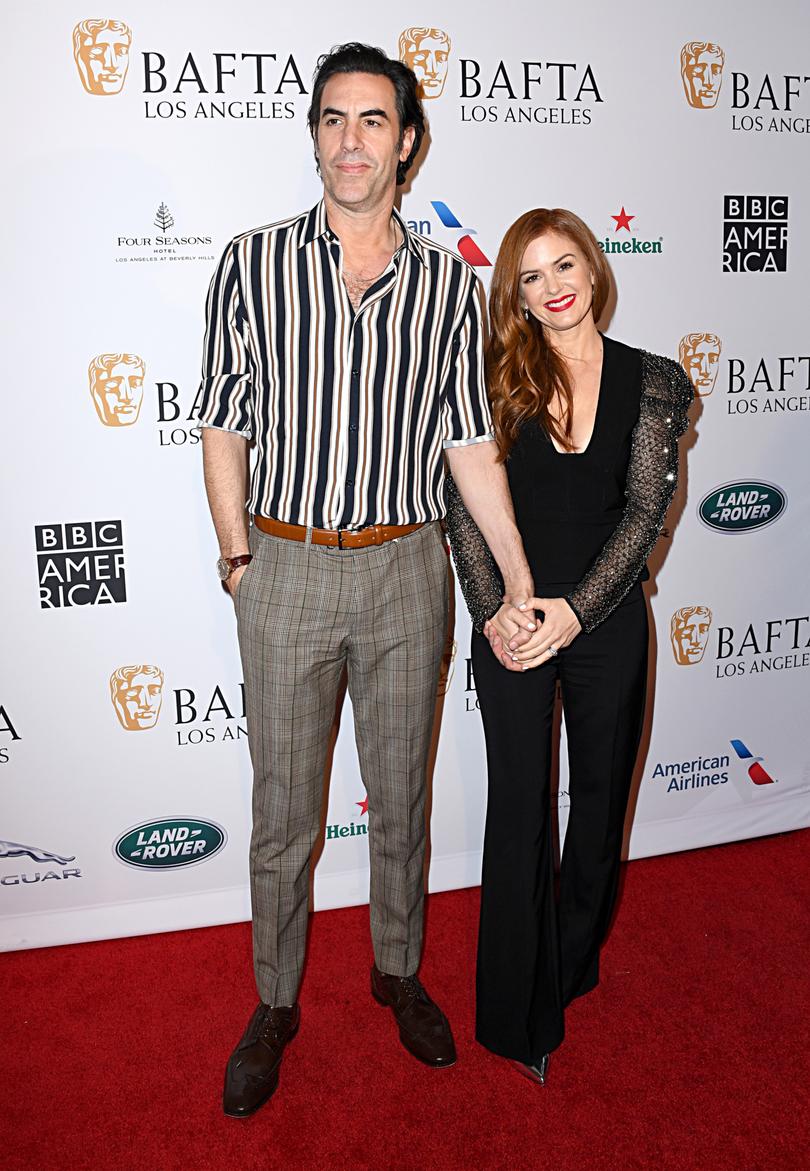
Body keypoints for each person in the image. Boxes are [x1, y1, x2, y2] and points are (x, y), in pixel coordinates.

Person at [197, 43, 534, 1118]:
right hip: (284, 563)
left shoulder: (450, 284)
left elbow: (470, 447)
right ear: (315, 135)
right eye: (334, 119)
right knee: (282, 813)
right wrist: (239, 557)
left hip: (405, 570)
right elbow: (221, 421)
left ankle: (397, 971)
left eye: (374, 121)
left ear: (408, 141)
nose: (352, 140)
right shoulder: (250, 262)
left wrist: (518, 583)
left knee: (403, 799)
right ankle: (274, 1001)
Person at [446, 208, 693, 1084]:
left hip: (607, 618)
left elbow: (643, 516)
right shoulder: (489, 379)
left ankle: (572, 958)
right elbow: (467, 506)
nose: (553, 287)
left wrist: (577, 612)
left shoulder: (656, 381)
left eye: (564, 265)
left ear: (592, 266)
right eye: (530, 276)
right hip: (510, 621)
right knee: (518, 806)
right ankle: (517, 1011)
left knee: (597, 803)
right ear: (513, 294)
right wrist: (493, 607)